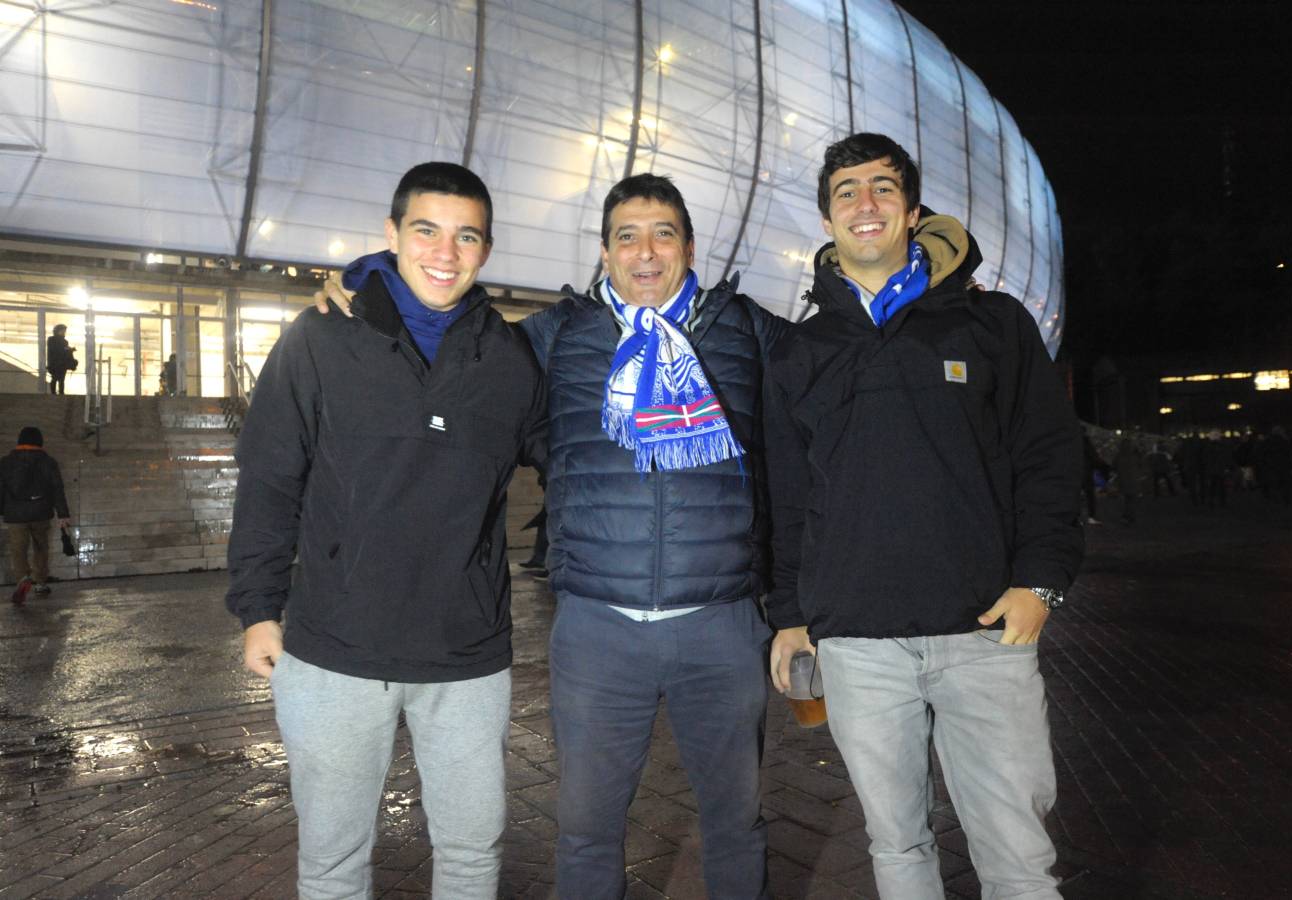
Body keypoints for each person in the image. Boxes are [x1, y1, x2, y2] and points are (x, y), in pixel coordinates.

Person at [317, 172, 785, 900]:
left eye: (663, 234)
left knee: (735, 822)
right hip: (598, 629)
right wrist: (360, 293)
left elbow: (833, 386)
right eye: (626, 236)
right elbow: (446, 340)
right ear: (603, 251)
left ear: (689, 247)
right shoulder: (556, 335)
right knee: (586, 830)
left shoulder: (745, 331)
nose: (645, 252)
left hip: (720, 626)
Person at [763, 133, 1083, 900]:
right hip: (859, 644)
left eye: (881, 188)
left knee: (1017, 855)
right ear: (827, 219)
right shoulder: (799, 350)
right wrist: (790, 613)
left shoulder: (991, 325)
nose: (863, 203)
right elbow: (784, 494)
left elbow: (1047, 457)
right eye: (845, 191)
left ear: (910, 210)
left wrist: (1038, 583)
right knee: (897, 845)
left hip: (982, 633)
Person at [225, 162, 543, 899]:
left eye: (467, 236)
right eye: (426, 230)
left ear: (486, 251)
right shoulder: (320, 338)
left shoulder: (509, 359)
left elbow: (576, 460)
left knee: (471, 852)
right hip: (335, 648)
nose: (445, 251)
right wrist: (257, 610)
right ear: (391, 234)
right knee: (333, 863)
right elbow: (270, 476)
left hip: (464, 655)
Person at [2, 426, 72, 605]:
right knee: (41, 548)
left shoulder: (6, 462)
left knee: (18, 549)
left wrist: (3, 510)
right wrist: (63, 514)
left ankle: (23, 578)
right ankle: (40, 583)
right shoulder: (48, 462)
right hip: (41, 512)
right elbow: (57, 488)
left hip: (15, 514)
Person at [46, 324, 77, 395]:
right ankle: (54, 393)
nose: (63, 332)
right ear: (57, 331)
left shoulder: (64, 341)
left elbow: (64, 350)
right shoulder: (51, 339)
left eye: (64, 331)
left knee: (61, 379)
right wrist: (67, 349)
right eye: (62, 331)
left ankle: (61, 393)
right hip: (55, 363)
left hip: (62, 363)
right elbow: (55, 350)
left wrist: (69, 350)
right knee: (55, 378)